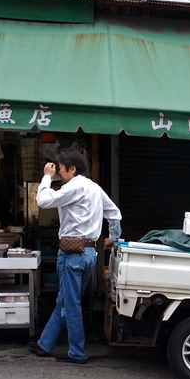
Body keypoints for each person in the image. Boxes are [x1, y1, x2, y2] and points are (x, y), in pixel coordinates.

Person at [28, 148, 122, 364]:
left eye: (61, 169)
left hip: (72, 254)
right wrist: (113, 238)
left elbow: (43, 201)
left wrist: (46, 177)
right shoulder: (94, 188)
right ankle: (45, 344)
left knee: (71, 304)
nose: (59, 173)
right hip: (90, 253)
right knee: (66, 300)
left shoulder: (74, 187)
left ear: (72, 169)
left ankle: (77, 352)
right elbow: (115, 214)